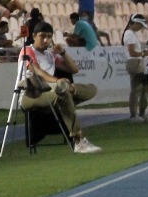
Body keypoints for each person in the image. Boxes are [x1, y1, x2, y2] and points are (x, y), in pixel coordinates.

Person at [20, 21, 100, 153]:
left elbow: (74, 69)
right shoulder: (27, 50)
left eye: (49, 37)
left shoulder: (49, 55)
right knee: (63, 91)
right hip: (31, 94)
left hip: (51, 92)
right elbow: (39, 72)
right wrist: (58, 81)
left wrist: (62, 52)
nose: (46, 40)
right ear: (34, 36)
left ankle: (67, 89)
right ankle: (78, 141)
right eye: (42, 36)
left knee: (91, 89)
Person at [122, 13, 148, 122]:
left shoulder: (132, 34)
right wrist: (143, 53)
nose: (140, 28)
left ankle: (141, 113)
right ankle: (134, 115)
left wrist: (142, 53)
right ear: (134, 23)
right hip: (134, 63)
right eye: (139, 25)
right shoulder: (129, 34)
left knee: (144, 88)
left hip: (137, 62)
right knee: (136, 89)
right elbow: (132, 52)